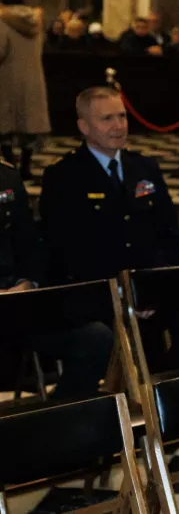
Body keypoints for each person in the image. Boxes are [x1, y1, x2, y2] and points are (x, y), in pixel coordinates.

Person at [40, 87, 179, 373]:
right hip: (99, 295)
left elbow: (169, 233)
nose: (118, 126)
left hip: (149, 290)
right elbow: (66, 251)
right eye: (106, 119)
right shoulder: (64, 176)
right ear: (84, 127)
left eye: (122, 116)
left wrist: (155, 287)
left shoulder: (144, 168)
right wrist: (123, 296)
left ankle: (164, 384)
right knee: (100, 337)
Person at [0, 159, 112, 399]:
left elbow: (29, 243)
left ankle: (56, 424)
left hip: (15, 300)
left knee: (97, 339)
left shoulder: (7, 176)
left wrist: (29, 282)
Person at [0, 0, 51, 180]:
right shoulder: (36, 22)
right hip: (33, 78)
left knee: (5, 125)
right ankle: (26, 168)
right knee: (28, 127)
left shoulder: (2, 21)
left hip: (7, 78)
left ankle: (9, 166)